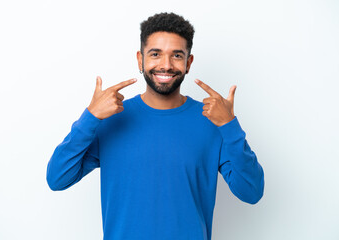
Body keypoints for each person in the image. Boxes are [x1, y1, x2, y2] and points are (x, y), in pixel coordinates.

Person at [46, 12, 264, 240]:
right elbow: (57, 178)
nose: (166, 65)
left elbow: (252, 192)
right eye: (156, 54)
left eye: (177, 55)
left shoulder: (213, 122)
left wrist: (230, 126)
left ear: (188, 63)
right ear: (140, 59)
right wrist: (90, 117)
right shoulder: (110, 119)